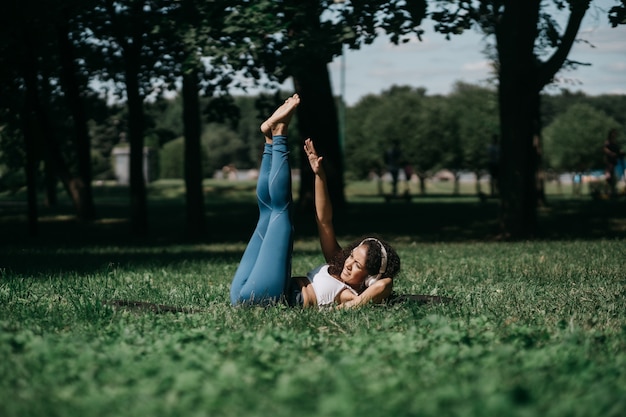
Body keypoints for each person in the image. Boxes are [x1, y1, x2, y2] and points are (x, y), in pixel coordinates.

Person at [229, 94, 401, 308]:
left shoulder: (349, 297)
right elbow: (324, 220)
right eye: (352, 256)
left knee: (281, 212)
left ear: (370, 277)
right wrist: (319, 176)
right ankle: (270, 140)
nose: (348, 263)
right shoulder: (336, 264)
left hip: (269, 297)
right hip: (244, 292)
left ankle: (280, 132)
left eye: (358, 264)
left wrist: (374, 283)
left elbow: (384, 285)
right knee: (267, 214)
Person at [603, 128, 624, 197]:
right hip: (609, 161)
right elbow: (604, 149)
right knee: (608, 176)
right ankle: (606, 191)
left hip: (614, 161)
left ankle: (612, 191)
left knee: (613, 177)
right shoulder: (608, 142)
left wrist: (620, 152)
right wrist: (611, 153)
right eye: (613, 133)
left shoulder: (615, 142)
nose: (615, 135)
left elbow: (618, 150)